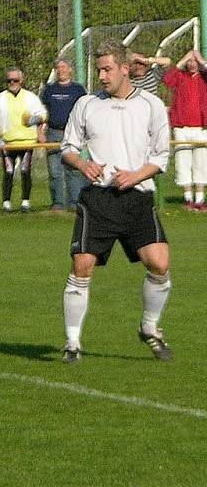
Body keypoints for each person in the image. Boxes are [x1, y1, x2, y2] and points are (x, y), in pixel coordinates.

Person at [59, 39, 172, 364]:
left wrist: (136, 175)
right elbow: (67, 148)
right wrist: (82, 164)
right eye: (99, 71)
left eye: (108, 69)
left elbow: (161, 156)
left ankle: (150, 328)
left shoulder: (150, 105)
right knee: (82, 264)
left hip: (137, 197)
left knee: (159, 264)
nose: (102, 76)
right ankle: (72, 344)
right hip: (99, 200)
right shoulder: (86, 104)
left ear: (125, 68)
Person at [0, 67, 47, 212]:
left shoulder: (30, 97)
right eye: (9, 80)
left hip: (27, 142)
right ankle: (6, 202)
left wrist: (35, 120)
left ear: (21, 81)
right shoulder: (0, 98)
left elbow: (43, 114)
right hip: (8, 143)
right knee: (8, 171)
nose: (12, 83)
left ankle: (25, 202)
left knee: (25, 170)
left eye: (15, 80)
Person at [162, 49, 207, 210]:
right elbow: (167, 80)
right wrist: (182, 60)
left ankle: (200, 200)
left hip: (202, 127)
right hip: (182, 127)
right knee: (183, 162)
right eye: (190, 61)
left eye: (194, 61)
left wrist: (201, 60)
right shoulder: (180, 77)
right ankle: (188, 198)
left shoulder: (203, 78)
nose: (192, 64)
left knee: (201, 163)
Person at [40, 59, 87, 211]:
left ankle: (75, 202)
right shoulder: (49, 90)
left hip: (73, 132)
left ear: (70, 70)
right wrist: (40, 131)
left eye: (63, 67)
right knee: (55, 171)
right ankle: (58, 203)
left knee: (73, 170)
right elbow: (41, 113)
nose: (60, 70)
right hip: (53, 132)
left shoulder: (78, 90)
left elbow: (85, 111)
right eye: (58, 68)